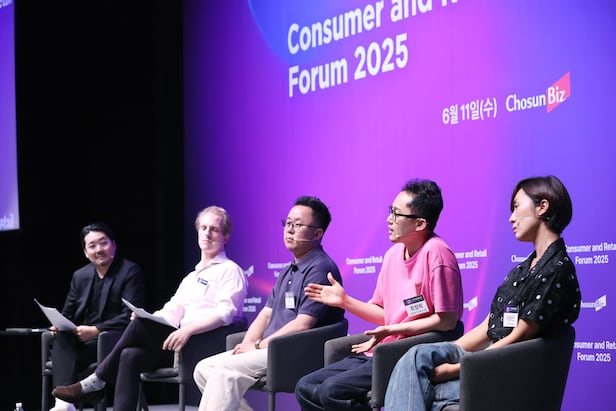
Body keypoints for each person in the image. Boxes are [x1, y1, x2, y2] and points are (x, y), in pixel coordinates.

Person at [384, 175, 582, 411]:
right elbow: (490, 325)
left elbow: (519, 337)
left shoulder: (556, 269)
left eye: (517, 207)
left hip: (509, 372)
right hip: (487, 360)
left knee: (414, 387)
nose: (511, 218)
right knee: (416, 356)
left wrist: (456, 368)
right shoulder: (522, 270)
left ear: (542, 207)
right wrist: (450, 351)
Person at [52, 206, 248, 411]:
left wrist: (188, 330)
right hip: (179, 344)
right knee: (130, 355)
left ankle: (97, 381)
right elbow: (172, 311)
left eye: (214, 229)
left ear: (225, 236)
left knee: (139, 327)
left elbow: (226, 313)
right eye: (204, 228)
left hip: (204, 345)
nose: (207, 234)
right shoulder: (192, 277)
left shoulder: (230, 270)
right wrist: (148, 317)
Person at [295, 179, 464, 411]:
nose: (388, 219)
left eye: (396, 214)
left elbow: (447, 321)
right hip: (381, 350)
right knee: (305, 386)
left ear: (420, 223)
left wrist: (392, 330)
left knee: (330, 391)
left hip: (406, 355)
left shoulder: (438, 254)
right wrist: (345, 301)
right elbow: (384, 313)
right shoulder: (392, 255)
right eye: (390, 211)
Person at [192, 195, 345, 411]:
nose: (289, 230)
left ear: (317, 234)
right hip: (270, 348)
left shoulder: (320, 269)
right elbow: (265, 314)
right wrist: (246, 344)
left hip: (295, 350)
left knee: (225, 369)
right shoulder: (288, 269)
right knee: (204, 368)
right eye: (288, 223)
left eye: (297, 225)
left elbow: (303, 324)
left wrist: (256, 346)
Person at [49, 222, 146, 411]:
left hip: (115, 339)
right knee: (61, 337)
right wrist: (59, 324)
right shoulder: (80, 276)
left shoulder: (130, 271)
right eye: (92, 246)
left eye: (103, 243)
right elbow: (68, 312)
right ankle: (63, 403)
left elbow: (130, 315)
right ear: (86, 252)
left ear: (113, 245)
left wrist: (97, 330)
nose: (99, 249)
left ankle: (69, 400)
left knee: (69, 355)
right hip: (84, 340)